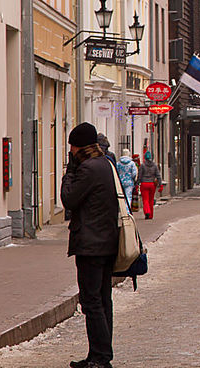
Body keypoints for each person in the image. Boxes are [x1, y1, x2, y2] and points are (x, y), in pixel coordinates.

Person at [61, 122, 120, 368]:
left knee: (91, 301)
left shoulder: (86, 169)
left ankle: (100, 357)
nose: (71, 151)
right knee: (103, 299)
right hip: (107, 242)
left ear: (78, 146)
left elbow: (69, 199)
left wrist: (69, 172)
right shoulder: (105, 164)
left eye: (72, 146)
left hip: (91, 244)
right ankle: (99, 353)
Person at [137, 151, 162, 219]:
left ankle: (147, 212)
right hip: (152, 184)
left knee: (145, 200)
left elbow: (140, 175)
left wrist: (137, 183)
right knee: (151, 200)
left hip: (144, 184)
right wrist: (160, 184)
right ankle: (151, 215)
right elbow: (158, 175)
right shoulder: (154, 165)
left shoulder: (142, 165)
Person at [115, 149, 137, 213]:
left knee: (121, 196)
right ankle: (127, 211)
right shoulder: (132, 163)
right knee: (128, 196)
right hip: (129, 182)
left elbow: (116, 172)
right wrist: (133, 179)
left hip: (120, 182)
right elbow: (134, 173)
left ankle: (121, 210)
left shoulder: (118, 163)